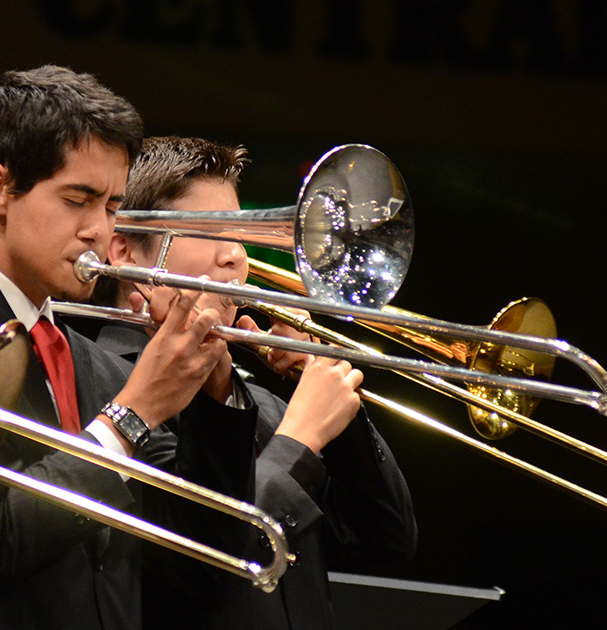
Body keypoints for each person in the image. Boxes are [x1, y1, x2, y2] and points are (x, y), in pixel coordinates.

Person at [0, 65, 260, 630]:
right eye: (77, 200)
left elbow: (201, 559)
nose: (100, 231)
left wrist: (213, 388)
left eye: (111, 207)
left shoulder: (89, 363)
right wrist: (131, 416)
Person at [98, 136, 417, 629]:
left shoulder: (263, 402)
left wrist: (322, 389)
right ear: (125, 252)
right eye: (209, 233)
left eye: (241, 233)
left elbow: (386, 540)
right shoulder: (104, 381)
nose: (235, 257)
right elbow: (199, 563)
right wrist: (300, 439)